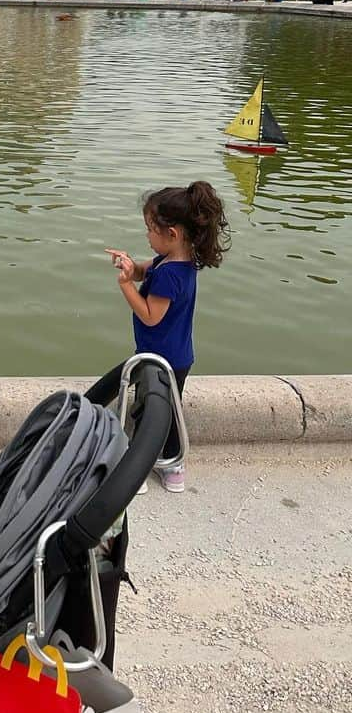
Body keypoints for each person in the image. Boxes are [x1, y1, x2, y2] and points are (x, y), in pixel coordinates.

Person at [104, 181, 229, 494]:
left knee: (151, 411)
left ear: (172, 233)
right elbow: (146, 271)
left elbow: (150, 314)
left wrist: (124, 286)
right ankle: (173, 468)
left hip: (159, 358)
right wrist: (131, 268)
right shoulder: (175, 262)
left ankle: (139, 468)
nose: (146, 235)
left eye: (149, 229)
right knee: (169, 409)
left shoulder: (171, 274)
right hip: (177, 355)